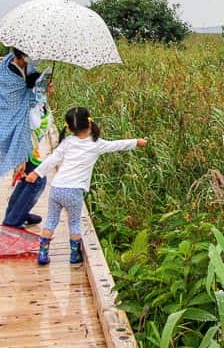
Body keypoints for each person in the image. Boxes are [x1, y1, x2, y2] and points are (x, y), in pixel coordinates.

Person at [24, 106, 147, 265]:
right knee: (74, 223)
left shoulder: (67, 142)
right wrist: (137, 142)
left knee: (51, 221)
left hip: (57, 188)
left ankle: (42, 253)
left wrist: (36, 173)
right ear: (89, 123)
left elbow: (52, 160)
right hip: (74, 191)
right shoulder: (97, 144)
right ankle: (74, 255)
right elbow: (117, 145)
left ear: (69, 128)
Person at [0, 48, 51, 227]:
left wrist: (42, 89)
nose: (33, 59)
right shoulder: (8, 76)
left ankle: (19, 213)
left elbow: (31, 91)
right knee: (37, 177)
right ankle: (12, 221)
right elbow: (16, 108)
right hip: (10, 130)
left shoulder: (23, 67)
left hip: (21, 130)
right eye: (30, 56)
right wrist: (19, 154)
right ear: (19, 56)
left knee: (28, 174)